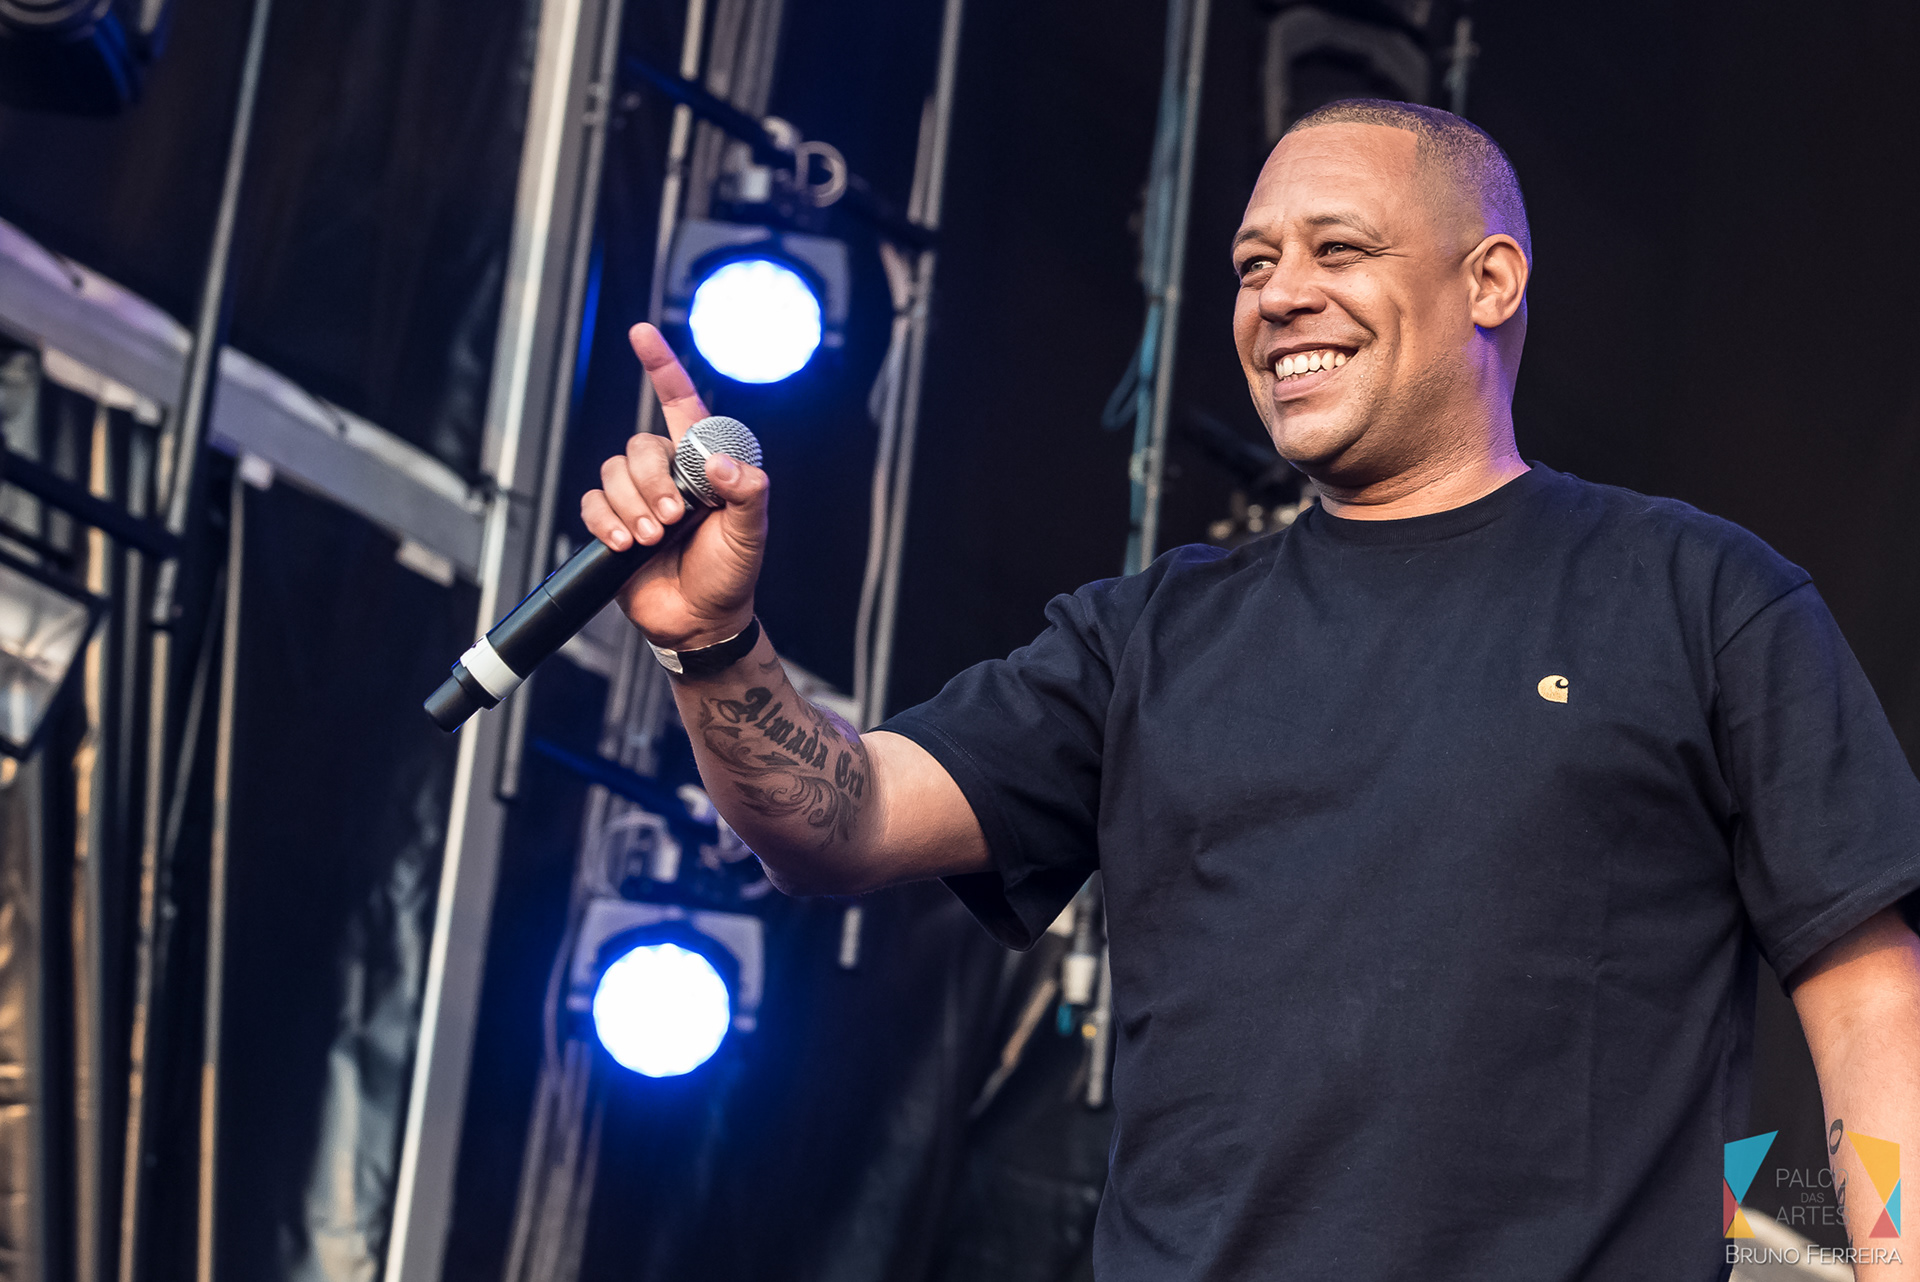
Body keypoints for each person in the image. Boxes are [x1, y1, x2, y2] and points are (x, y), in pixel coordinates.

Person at [581, 99, 1920, 1281]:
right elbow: (841, 819)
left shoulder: (1697, 596)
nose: (1278, 296)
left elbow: (1869, 1002)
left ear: (1491, 279)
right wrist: (715, 642)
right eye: (1253, 264)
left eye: (1338, 249)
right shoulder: (1150, 638)